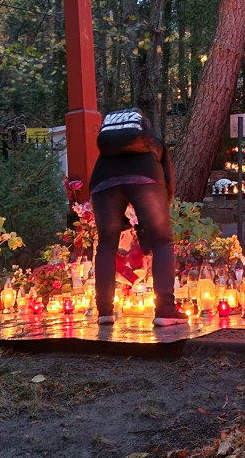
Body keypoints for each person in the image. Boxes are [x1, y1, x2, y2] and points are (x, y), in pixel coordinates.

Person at [89, 108, 187, 327]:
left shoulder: (108, 150)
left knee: (106, 245)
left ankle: (104, 311)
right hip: (146, 179)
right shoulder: (153, 142)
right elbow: (168, 182)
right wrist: (159, 212)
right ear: (144, 127)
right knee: (162, 240)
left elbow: (100, 182)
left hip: (102, 183)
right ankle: (165, 310)